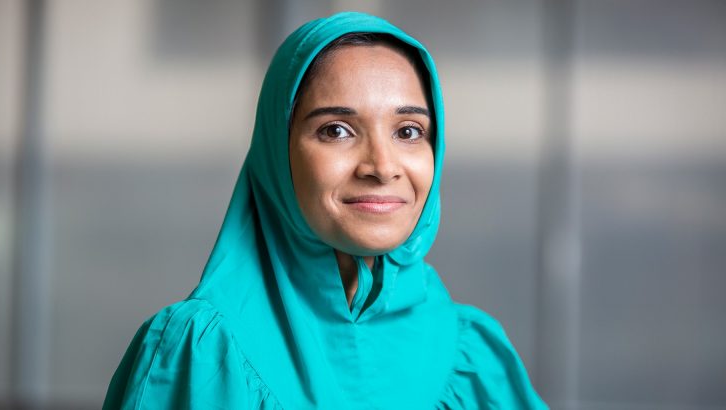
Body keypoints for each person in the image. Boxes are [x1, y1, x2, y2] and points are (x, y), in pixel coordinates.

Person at [103, 12, 547, 409]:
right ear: (278, 152)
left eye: (409, 131)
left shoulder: (470, 354)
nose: (382, 166)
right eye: (336, 130)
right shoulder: (201, 350)